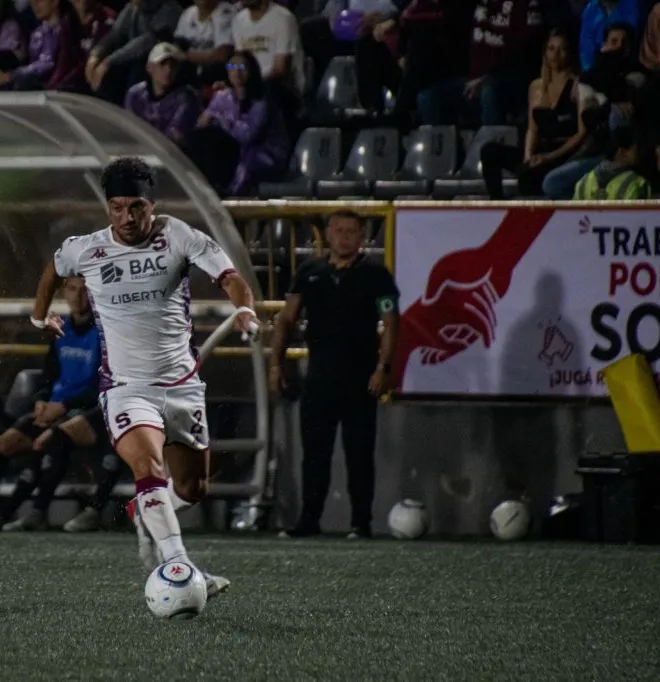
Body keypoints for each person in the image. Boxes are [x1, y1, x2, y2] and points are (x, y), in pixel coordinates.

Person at [31, 156, 257, 599]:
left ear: (151, 205)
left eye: (136, 207)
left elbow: (230, 277)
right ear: (107, 207)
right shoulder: (86, 248)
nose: (127, 217)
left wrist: (245, 308)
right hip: (126, 389)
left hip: (183, 386)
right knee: (147, 466)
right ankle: (179, 569)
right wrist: (41, 318)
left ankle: (143, 513)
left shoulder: (178, 235)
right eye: (117, 207)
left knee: (193, 488)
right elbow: (52, 272)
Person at [0, 276, 105, 530]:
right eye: (72, 289)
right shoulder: (60, 330)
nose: (78, 296)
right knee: (3, 442)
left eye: (84, 290)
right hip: (53, 410)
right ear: (64, 292)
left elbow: (102, 385)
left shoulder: (104, 333)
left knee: (49, 440)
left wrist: (64, 406)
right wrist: (41, 401)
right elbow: (49, 377)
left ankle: (31, 513)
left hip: (82, 411)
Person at [270, 210, 399, 539]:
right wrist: (276, 364)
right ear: (328, 234)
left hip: (360, 377)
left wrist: (382, 367)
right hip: (319, 377)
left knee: (359, 453)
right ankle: (308, 520)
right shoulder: (309, 272)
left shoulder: (376, 274)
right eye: (339, 230)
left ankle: (361, 523)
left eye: (352, 231)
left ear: (362, 237)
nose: (344, 237)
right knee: (314, 453)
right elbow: (287, 318)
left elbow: (391, 322)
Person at [480, 29, 599, 199]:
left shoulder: (578, 86)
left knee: (528, 181)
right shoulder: (535, 86)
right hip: (541, 151)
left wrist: (548, 157)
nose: (555, 54)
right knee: (489, 151)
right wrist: (528, 159)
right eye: (551, 49)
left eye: (561, 49)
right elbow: (532, 130)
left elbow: (582, 134)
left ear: (570, 53)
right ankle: (496, 203)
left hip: (563, 154)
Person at [192, 50, 289, 197]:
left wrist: (221, 118)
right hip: (236, 151)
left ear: (252, 70)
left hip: (266, 152)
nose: (236, 72)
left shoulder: (262, 100)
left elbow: (247, 135)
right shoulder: (223, 96)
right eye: (231, 67)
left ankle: (233, 201)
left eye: (242, 67)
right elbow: (202, 123)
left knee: (246, 161)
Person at [572, 125, 652, 199]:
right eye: (636, 149)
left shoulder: (583, 183)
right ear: (622, 152)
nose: (640, 153)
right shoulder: (636, 183)